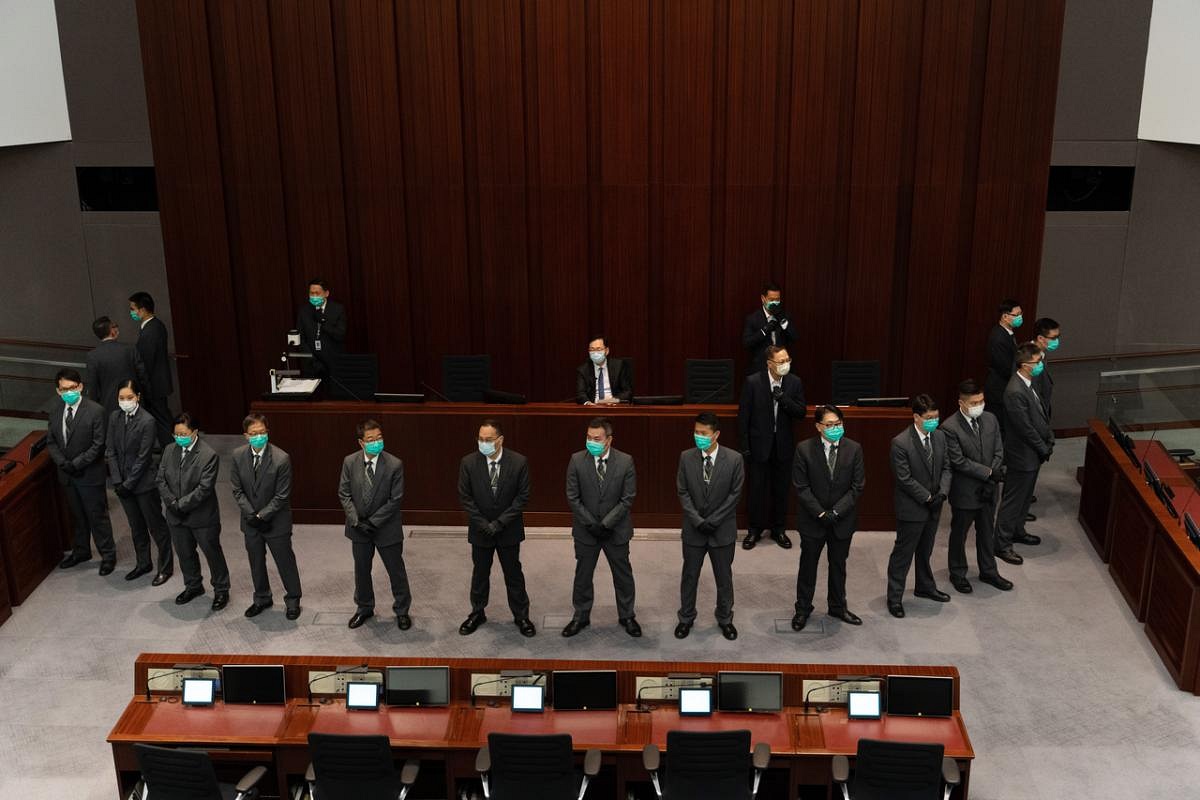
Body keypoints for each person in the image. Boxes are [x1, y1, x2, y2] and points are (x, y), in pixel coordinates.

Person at [457, 419, 535, 637]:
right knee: (480, 573)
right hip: (480, 530)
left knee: (513, 574)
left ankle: (521, 615)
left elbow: (522, 498)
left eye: (488, 440)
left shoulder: (519, 462)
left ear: (500, 440)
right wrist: (484, 524)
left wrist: (500, 523)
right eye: (480, 439)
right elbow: (466, 497)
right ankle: (477, 612)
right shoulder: (469, 462)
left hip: (508, 529)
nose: (484, 443)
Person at [562, 417, 639, 637]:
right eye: (588, 437)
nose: (591, 441)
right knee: (583, 575)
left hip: (616, 530)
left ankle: (627, 616)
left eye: (597, 438)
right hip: (586, 531)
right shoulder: (576, 460)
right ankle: (581, 616)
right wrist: (591, 524)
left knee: (623, 575)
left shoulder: (625, 461)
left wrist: (606, 524)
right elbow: (572, 497)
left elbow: (628, 498)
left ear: (609, 440)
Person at [791, 405, 865, 631]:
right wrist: (821, 513)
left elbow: (857, 486)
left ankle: (837, 606)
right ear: (818, 426)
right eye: (830, 425)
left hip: (842, 519)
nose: (835, 428)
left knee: (838, 565)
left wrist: (836, 512)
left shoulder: (854, 449)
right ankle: (803, 609)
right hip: (813, 520)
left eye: (838, 424)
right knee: (808, 566)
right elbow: (801, 487)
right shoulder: (804, 449)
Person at [675, 412, 745, 640]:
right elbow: (682, 491)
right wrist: (697, 519)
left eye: (703, 433)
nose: (698, 437)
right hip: (694, 530)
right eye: (696, 432)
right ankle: (686, 618)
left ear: (716, 435)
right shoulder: (686, 457)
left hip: (722, 530)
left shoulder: (734, 459)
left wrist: (714, 520)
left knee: (723, 578)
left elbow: (735, 495)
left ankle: (725, 618)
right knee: (689, 576)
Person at [338, 419, 411, 630]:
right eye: (371, 439)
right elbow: (344, 493)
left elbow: (395, 499)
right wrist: (355, 520)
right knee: (362, 570)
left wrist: (373, 522)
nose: (376, 442)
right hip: (358, 528)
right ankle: (364, 608)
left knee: (395, 571)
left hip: (386, 527)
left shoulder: (394, 464)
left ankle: (402, 611)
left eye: (379, 438)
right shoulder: (349, 462)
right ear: (361, 443)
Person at [941, 380, 1012, 593]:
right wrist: (989, 473)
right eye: (974, 402)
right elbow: (958, 461)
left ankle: (989, 571)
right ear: (961, 403)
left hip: (990, 489)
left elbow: (999, 449)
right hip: (966, 491)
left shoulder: (990, 419)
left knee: (986, 530)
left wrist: (993, 472)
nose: (979, 405)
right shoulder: (949, 427)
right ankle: (958, 573)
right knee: (960, 533)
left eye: (981, 401)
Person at [230, 413, 303, 620]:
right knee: (256, 562)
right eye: (254, 433)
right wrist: (251, 514)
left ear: (267, 432)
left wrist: (262, 515)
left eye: (262, 432)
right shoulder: (237, 456)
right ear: (246, 435)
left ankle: (293, 599)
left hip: (275, 521)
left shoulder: (281, 458)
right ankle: (262, 598)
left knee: (284, 561)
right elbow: (237, 490)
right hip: (250, 521)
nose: (258, 436)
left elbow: (282, 495)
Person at [885, 394, 952, 618]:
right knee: (903, 554)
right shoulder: (900, 442)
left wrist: (941, 493)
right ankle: (894, 598)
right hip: (913, 507)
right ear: (916, 417)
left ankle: (925, 586)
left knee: (926, 550)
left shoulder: (940, 437)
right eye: (929, 417)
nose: (934, 420)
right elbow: (904, 479)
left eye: (936, 416)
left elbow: (947, 468)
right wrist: (927, 497)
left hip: (935, 504)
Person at [47, 368, 117, 574]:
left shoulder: (95, 411)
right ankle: (81, 551)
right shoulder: (55, 410)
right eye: (63, 389)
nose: (68, 392)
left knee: (97, 516)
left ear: (80, 387)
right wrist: (63, 463)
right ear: (58, 391)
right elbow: (51, 442)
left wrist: (76, 463)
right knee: (76, 516)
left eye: (72, 388)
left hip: (89, 474)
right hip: (67, 475)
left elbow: (98, 444)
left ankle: (108, 555)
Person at [157, 413, 230, 609]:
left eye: (183, 434)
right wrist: (173, 503)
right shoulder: (169, 449)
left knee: (212, 553)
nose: (179, 437)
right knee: (184, 553)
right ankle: (193, 585)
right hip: (175, 516)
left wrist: (181, 505)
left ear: (195, 432)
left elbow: (204, 489)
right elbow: (161, 479)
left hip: (201, 517)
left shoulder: (208, 455)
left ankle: (221, 590)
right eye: (176, 434)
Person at [738, 345, 806, 550]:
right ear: (769, 363)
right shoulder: (753, 382)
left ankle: (779, 529)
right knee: (757, 489)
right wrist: (745, 446)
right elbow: (744, 417)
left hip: (783, 446)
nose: (785, 364)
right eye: (781, 361)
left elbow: (801, 412)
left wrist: (783, 398)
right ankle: (754, 530)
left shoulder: (794, 382)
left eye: (788, 360)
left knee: (781, 489)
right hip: (759, 445)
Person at [105, 379, 172, 584]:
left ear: (138, 397)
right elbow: (111, 451)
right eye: (121, 398)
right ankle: (143, 563)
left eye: (129, 397)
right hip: (122, 484)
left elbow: (144, 457)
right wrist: (117, 481)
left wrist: (128, 483)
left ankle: (165, 567)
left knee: (156, 526)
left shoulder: (147, 421)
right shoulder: (114, 417)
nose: (125, 401)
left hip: (143, 483)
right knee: (136, 526)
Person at [995, 343, 1054, 564]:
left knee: (1024, 498)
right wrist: (1042, 446)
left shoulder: (1030, 384)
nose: (1041, 365)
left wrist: (1048, 439)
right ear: (1025, 365)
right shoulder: (1014, 391)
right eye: (1038, 362)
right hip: (1022, 454)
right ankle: (1001, 544)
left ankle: (1017, 531)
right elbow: (1025, 427)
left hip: (1033, 454)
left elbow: (1040, 413)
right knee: (1013, 500)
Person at [127, 292, 174, 446]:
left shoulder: (151, 330)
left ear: (142, 309)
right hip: (158, 383)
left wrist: (141, 385)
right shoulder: (155, 325)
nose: (131, 312)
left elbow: (145, 362)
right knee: (162, 418)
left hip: (154, 385)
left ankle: (169, 452)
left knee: (162, 421)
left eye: (133, 308)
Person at [85, 316, 146, 415]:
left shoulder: (93, 356)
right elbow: (142, 375)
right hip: (133, 400)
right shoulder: (130, 349)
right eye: (114, 326)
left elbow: (93, 386)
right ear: (111, 330)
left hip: (108, 405)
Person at [983, 298, 1023, 433]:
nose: (1020, 317)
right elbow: (1005, 367)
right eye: (1016, 315)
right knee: (1000, 430)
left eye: (1021, 314)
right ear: (1005, 316)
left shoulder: (1007, 334)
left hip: (1003, 389)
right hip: (998, 390)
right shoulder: (999, 337)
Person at [742, 281, 797, 375]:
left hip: (781, 367)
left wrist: (782, 321)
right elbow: (747, 343)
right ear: (763, 298)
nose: (775, 303)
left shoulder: (784, 316)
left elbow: (794, 337)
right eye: (771, 300)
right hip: (760, 368)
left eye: (777, 300)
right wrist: (764, 330)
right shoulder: (753, 318)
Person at [296, 278, 347, 377]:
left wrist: (323, 322)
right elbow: (301, 339)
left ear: (326, 293)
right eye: (311, 293)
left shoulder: (338, 309)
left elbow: (340, 335)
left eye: (317, 293)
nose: (314, 296)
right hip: (312, 365)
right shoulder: (304, 311)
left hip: (333, 363)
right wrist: (312, 361)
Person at [575, 336, 633, 404]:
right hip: (593, 407)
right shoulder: (583, 370)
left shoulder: (619, 366)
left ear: (607, 351)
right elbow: (580, 394)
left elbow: (627, 392)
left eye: (599, 349)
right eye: (592, 349)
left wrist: (613, 400)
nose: (595, 353)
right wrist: (588, 403)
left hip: (614, 406)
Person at [1033, 317, 1061, 420]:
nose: (1056, 341)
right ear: (1040, 338)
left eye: (1058, 337)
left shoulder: (1042, 354)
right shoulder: (1029, 360)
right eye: (1053, 338)